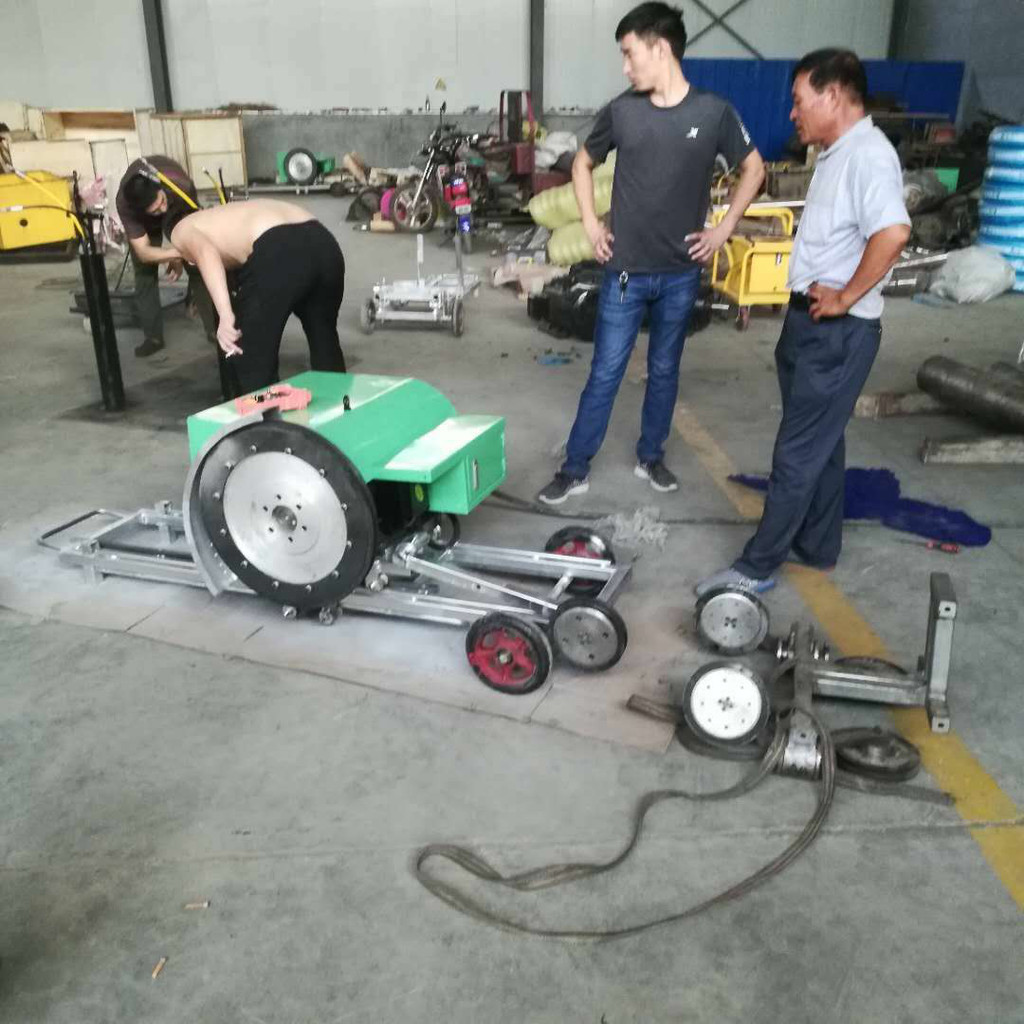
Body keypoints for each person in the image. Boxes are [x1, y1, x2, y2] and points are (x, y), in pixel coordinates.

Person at [696, 49, 911, 597]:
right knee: (822, 443)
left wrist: (846, 297)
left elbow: (893, 232)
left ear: (833, 95)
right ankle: (818, 546)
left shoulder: (868, 156)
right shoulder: (838, 154)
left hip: (836, 333)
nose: (792, 113)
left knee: (796, 454)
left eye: (799, 101)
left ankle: (757, 567)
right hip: (811, 324)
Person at [536, 1, 764, 505]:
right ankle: (575, 468)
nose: (624, 67)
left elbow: (755, 168)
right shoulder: (622, 111)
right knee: (606, 372)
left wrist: (724, 229)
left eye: (629, 53)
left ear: (660, 49)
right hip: (624, 272)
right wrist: (591, 224)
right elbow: (581, 163)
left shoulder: (713, 112)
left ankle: (651, 456)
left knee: (664, 370)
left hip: (681, 274)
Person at [162, 198, 346, 393]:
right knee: (324, 339)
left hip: (280, 248)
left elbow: (206, 254)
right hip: (323, 243)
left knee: (249, 355)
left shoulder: (180, 229)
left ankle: (265, 410)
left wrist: (225, 315)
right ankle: (341, 402)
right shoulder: (224, 215)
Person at [116, 157, 217, 357]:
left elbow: (190, 231)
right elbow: (144, 253)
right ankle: (153, 337)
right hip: (146, 223)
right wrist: (173, 254)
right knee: (144, 274)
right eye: (155, 209)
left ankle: (215, 329)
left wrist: (182, 253)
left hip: (177, 206)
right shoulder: (125, 205)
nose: (161, 209)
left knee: (197, 266)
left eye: (161, 201)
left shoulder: (181, 186)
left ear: (160, 188)